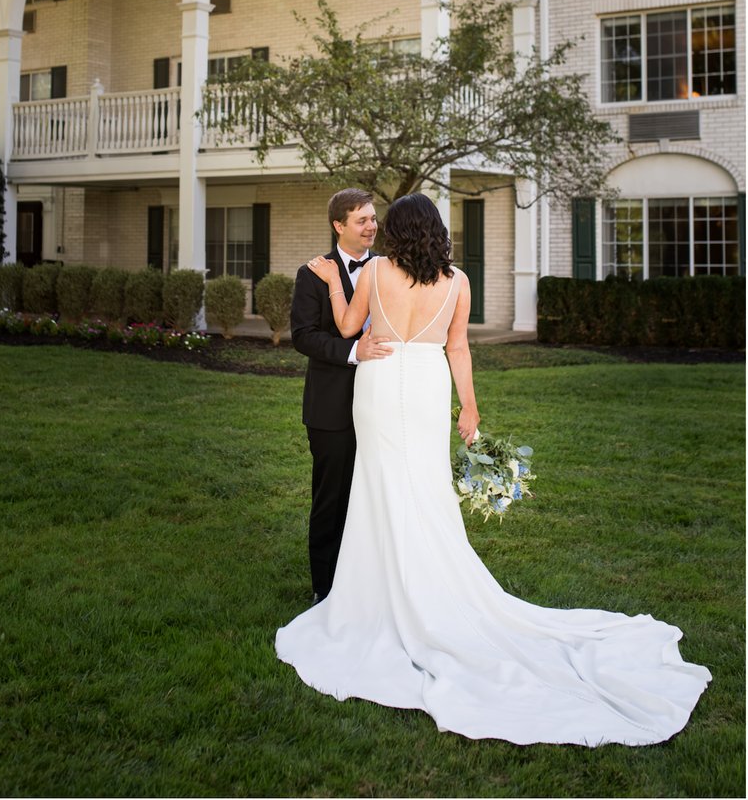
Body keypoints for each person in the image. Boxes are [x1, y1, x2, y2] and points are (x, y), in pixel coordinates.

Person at [274, 194, 710, 746]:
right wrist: (470, 407)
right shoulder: (458, 281)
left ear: (398, 233)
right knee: (424, 487)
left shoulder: (377, 270)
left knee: (380, 485)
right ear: (436, 230)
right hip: (430, 386)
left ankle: (378, 592)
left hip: (381, 384)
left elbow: (345, 325)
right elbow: (459, 348)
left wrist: (335, 283)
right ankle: (424, 586)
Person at [287, 188, 394, 604]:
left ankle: (367, 584)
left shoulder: (387, 269)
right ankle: (325, 589)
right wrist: (354, 352)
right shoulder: (313, 273)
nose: (372, 226)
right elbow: (303, 336)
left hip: (380, 403)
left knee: (372, 496)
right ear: (339, 225)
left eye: (373, 218)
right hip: (330, 408)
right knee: (331, 499)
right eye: (362, 220)